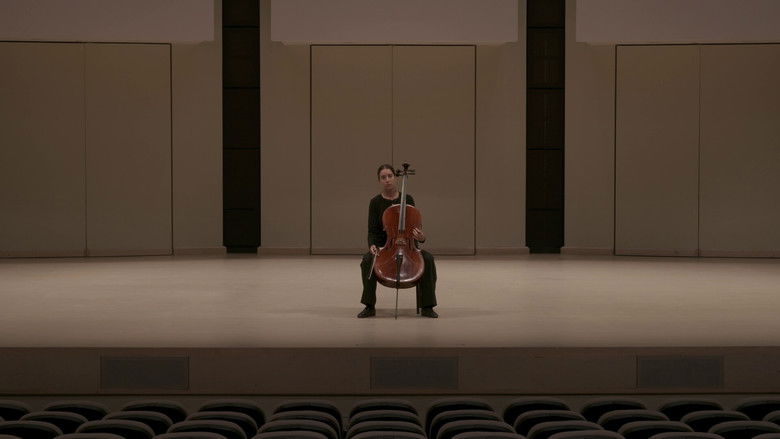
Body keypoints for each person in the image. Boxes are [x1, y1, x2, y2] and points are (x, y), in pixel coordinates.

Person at [358, 164, 438, 318]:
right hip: (385, 246)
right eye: (383, 177)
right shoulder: (375, 202)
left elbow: (415, 227)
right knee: (367, 260)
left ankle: (428, 306)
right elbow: (372, 231)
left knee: (428, 259)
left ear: (395, 178)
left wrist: (421, 237)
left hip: (409, 246)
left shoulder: (408, 199)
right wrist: (372, 245)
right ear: (379, 181)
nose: (387, 180)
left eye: (390, 176)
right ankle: (369, 306)